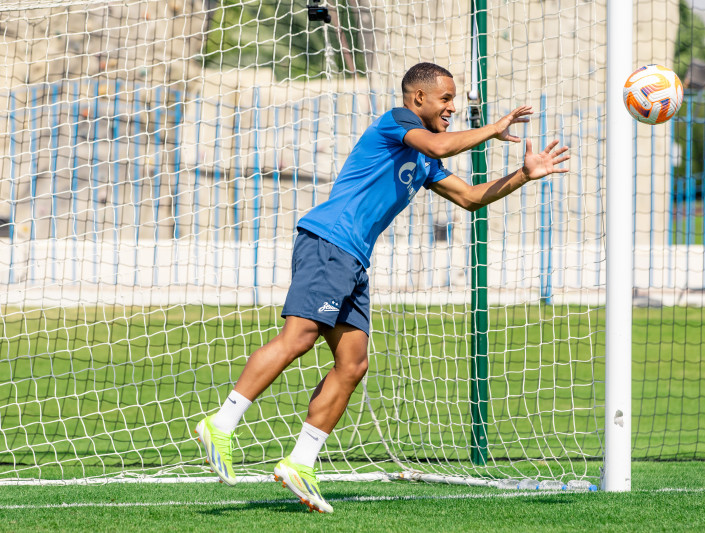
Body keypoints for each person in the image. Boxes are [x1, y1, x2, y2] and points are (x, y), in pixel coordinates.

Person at [195, 62, 569, 513]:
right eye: (445, 99)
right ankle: (222, 423)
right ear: (418, 100)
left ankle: (300, 462)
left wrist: (524, 175)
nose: (451, 108)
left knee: (352, 364)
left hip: (353, 258)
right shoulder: (398, 122)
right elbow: (441, 144)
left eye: (453, 100)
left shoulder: (425, 159)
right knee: (300, 337)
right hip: (328, 242)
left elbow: (470, 198)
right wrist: (494, 129)